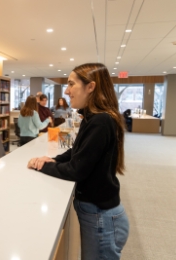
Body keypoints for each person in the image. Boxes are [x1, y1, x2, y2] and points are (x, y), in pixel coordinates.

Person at [27, 63, 129, 259]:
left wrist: (43, 166)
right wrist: (51, 159)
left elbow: (76, 170)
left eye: (71, 84)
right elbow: (77, 152)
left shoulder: (101, 121)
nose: (66, 91)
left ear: (90, 87)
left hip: (102, 218)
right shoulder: (92, 118)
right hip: (100, 216)